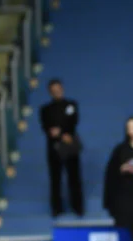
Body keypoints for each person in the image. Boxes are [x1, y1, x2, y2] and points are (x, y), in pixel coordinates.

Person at [39, 79, 84, 217]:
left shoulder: (71, 105)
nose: (56, 91)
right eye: (53, 90)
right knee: (55, 179)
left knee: (74, 177)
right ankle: (56, 208)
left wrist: (63, 132)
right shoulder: (45, 109)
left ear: (62, 88)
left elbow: (73, 121)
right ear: (50, 92)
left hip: (70, 146)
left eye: (58, 88)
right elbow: (46, 127)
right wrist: (57, 135)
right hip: (54, 148)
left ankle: (77, 206)